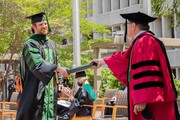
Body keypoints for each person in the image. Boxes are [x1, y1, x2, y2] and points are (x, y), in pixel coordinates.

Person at [92, 12, 179, 120]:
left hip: (151, 103)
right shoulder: (143, 41)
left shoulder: (144, 42)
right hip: (149, 101)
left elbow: (147, 70)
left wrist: (143, 99)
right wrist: (103, 61)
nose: (126, 28)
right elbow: (125, 60)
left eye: (127, 25)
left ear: (133, 26)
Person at [16, 12, 69, 120]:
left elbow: (56, 62)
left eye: (45, 23)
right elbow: (38, 65)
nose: (44, 26)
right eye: (41, 24)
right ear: (34, 27)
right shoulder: (30, 44)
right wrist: (57, 68)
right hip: (35, 90)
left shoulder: (52, 44)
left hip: (51, 91)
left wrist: (60, 82)